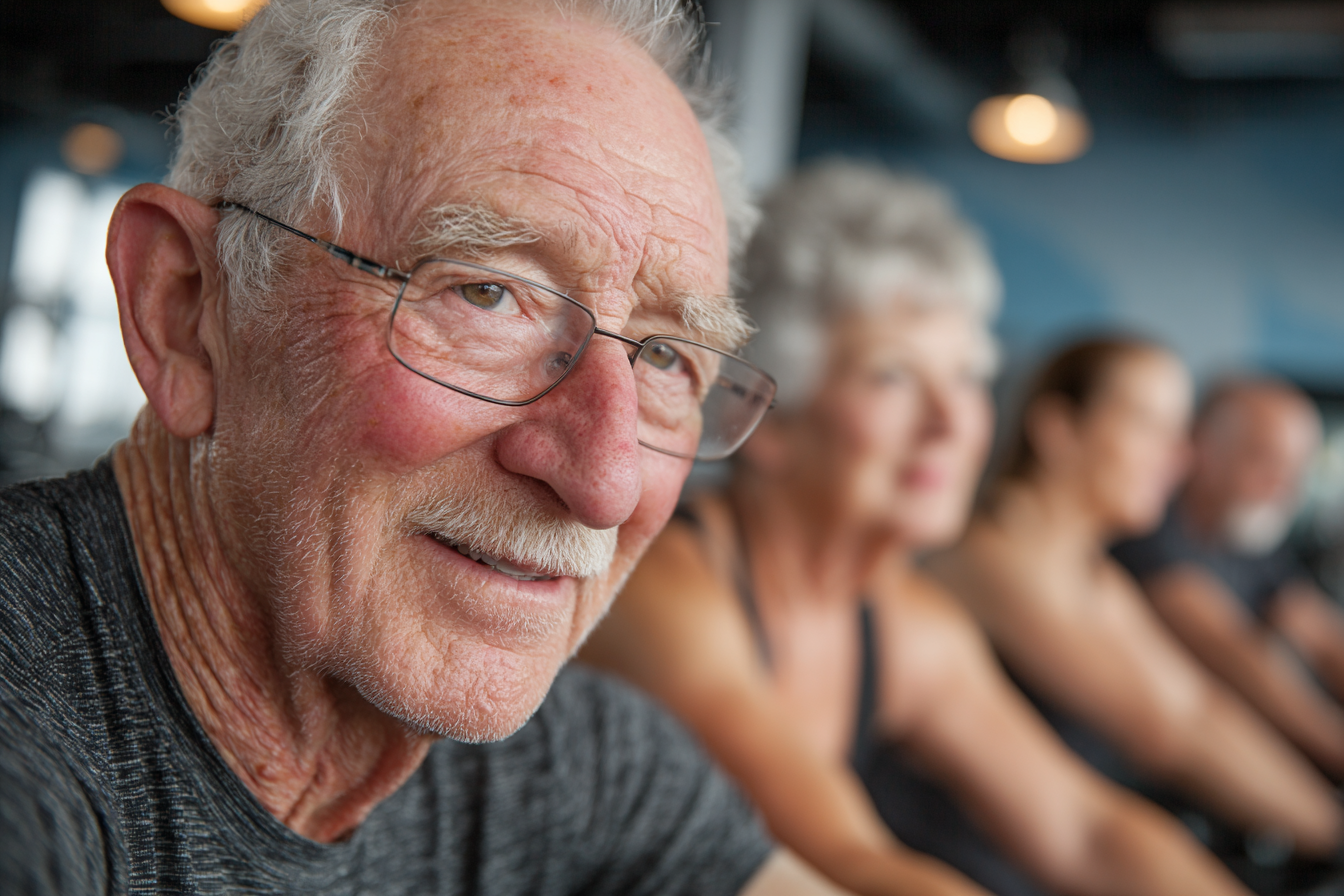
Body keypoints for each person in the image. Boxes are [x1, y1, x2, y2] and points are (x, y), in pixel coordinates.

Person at [0, 2, 854, 893]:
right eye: (487, 294)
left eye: (668, 356)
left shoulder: (580, 769)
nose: (605, 481)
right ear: (183, 308)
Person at [580, 162, 1251, 896]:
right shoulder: (667, 592)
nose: (952, 422)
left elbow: (1089, 831)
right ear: (768, 418)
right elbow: (844, 862)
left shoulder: (906, 621)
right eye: (892, 376)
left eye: (966, 376)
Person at [931, 339, 1344, 863]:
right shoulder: (994, 559)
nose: (1182, 456)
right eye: (1150, 426)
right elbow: (1171, 732)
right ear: (1057, 429)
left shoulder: (1098, 574)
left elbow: (1199, 707)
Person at [1115, 376, 1344, 780]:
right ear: (1201, 447)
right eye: (1264, 459)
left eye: (1296, 467)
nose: (1283, 485)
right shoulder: (1148, 530)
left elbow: (1321, 634)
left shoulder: (1250, 534)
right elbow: (1231, 651)